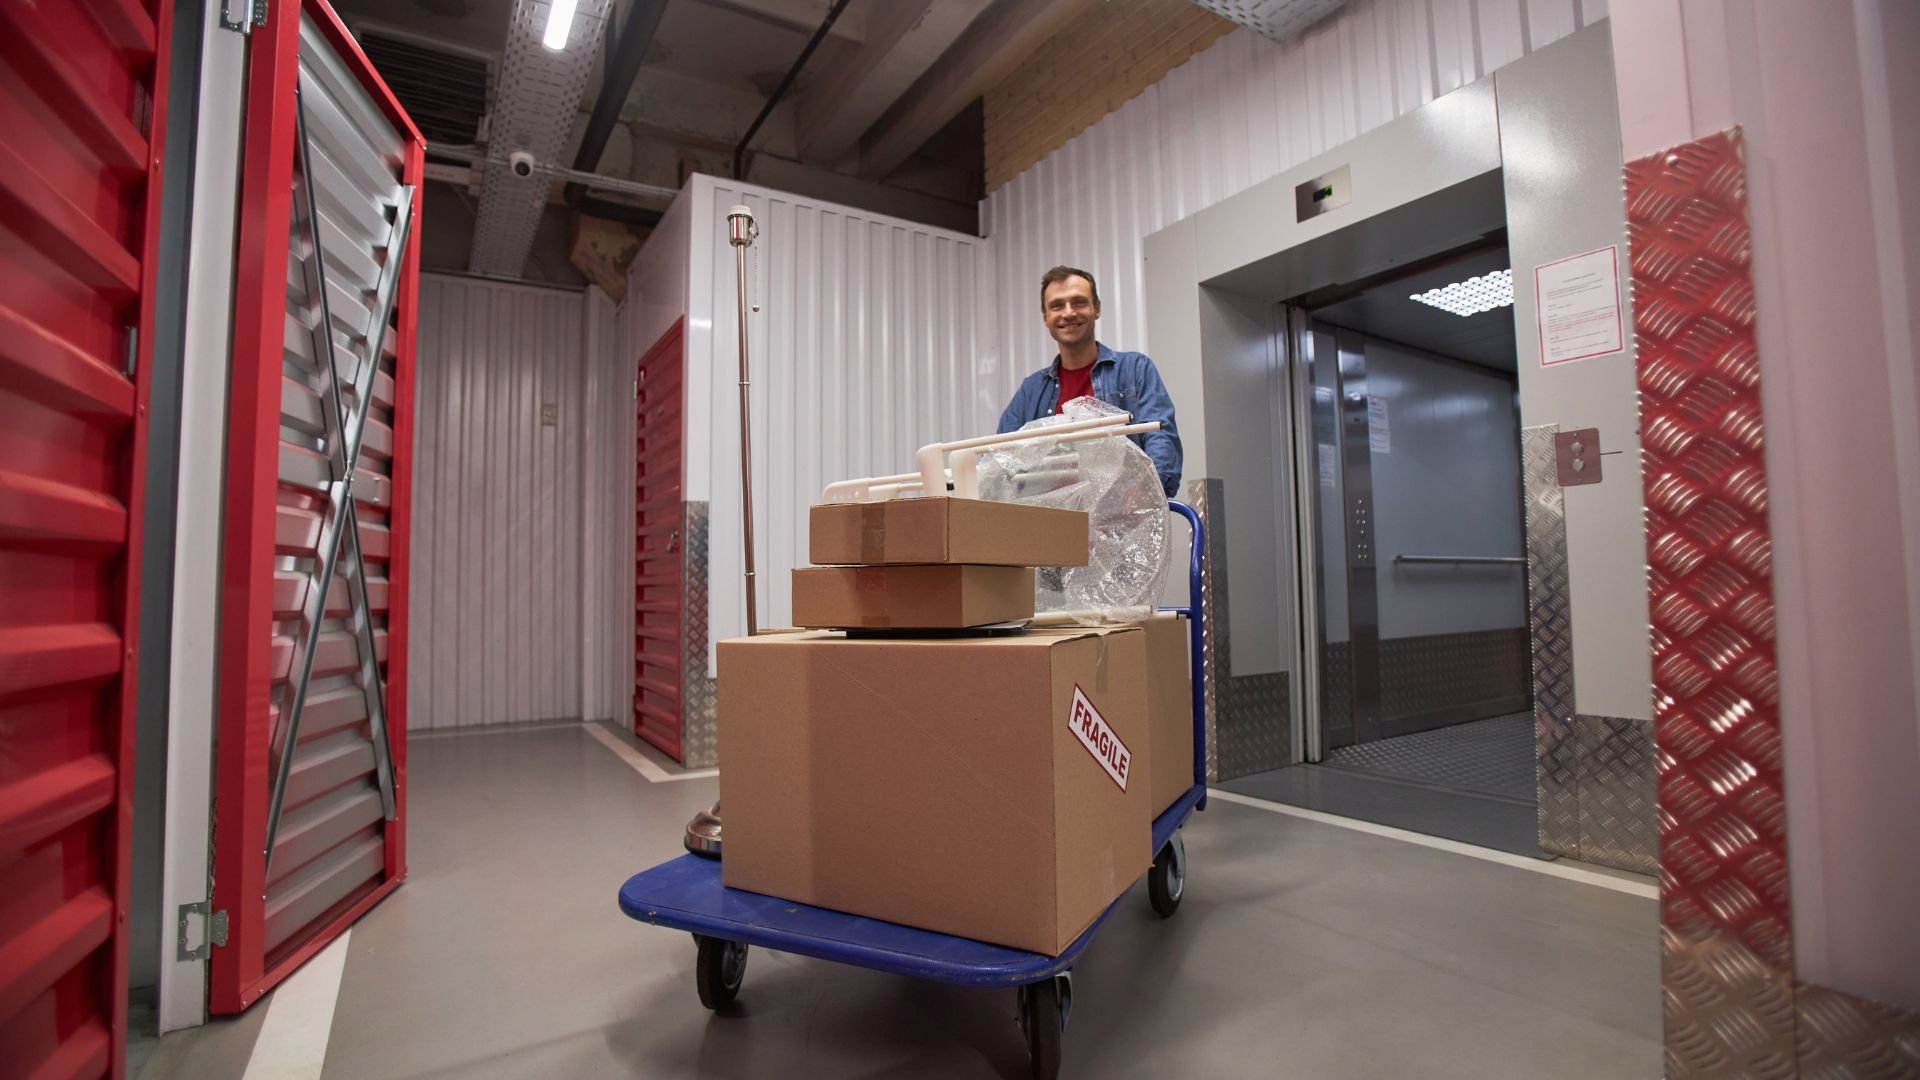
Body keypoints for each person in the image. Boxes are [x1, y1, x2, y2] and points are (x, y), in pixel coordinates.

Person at [997, 265, 1183, 497]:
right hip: (1048, 524)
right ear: (1045, 317)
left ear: (1096, 308)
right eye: (1057, 306)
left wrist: (1143, 497)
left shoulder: (1135, 369)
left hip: (1122, 523)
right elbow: (1000, 459)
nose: (1068, 313)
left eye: (1079, 302)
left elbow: (1160, 439)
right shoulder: (1031, 390)